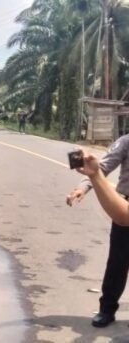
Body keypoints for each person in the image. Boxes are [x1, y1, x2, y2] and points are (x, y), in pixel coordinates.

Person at [67, 135, 129, 328]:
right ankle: (107, 310)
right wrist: (82, 188)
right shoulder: (126, 142)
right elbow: (100, 167)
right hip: (123, 204)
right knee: (117, 262)